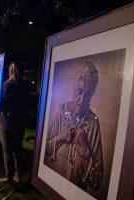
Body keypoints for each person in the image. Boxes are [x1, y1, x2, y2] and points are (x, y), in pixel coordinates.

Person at [44, 61, 104, 191]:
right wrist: (59, 137)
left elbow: (97, 182)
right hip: (52, 186)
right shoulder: (61, 110)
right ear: (74, 88)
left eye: (88, 94)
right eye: (80, 91)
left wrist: (84, 150)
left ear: (92, 94)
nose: (82, 99)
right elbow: (43, 152)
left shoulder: (93, 122)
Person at [0, 62, 29, 184]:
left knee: (7, 150)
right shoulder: (25, 85)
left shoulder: (7, 85)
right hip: (20, 121)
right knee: (17, 148)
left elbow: (2, 103)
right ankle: (18, 175)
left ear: (11, 71)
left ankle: (9, 176)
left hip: (7, 121)